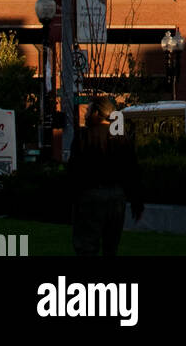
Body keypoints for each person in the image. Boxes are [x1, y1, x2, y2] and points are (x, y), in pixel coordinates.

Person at [67, 96, 144, 257]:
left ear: (96, 112)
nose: (85, 114)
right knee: (111, 247)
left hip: (90, 197)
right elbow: (132, 171)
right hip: (116, 198)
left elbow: (74, 170)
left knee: (86, 246)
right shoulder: (122, 138)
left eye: (88, 111)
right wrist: (136, 201)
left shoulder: (83, 137)